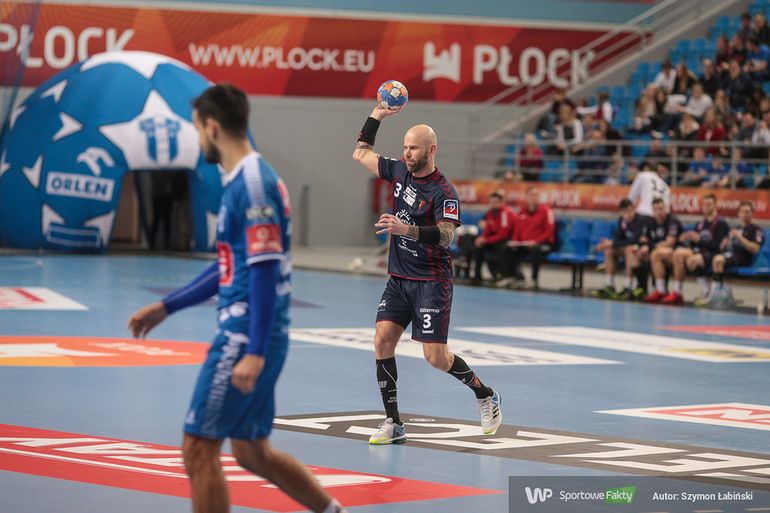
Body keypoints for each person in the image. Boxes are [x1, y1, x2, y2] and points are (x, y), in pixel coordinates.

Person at [127, 85, 348, 513]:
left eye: (197, 130)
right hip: (255, 334)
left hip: (243, 336)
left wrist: (254, 351)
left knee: (198, 448)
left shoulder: (253, 185)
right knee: (251, 451)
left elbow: (264, 271)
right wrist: (168, 306)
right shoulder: (242, 182)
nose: (197, 141)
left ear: (212, 127)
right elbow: (233, 265)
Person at [352, 103, 502, 444]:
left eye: (414, 148)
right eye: (405, 147)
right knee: (382, 339)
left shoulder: (443, 192)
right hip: (399, 277)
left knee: (435, 357)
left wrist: (405, 230)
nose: (407, 153)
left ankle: (485, 394)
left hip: (432, 281)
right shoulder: (398, 171)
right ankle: (394, 423)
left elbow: (446, 235)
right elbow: (360, 153)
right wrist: (377, 115)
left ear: (431, 150)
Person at [660, 194, 729, 305]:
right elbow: (695, 244)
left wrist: (699, 240)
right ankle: (677, 291)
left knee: (692, 261)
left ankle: (708, 291)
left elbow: (719, 247)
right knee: (678, 253)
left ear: (715, 205)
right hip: (700, 252)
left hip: (714, 253)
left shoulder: (721, 223)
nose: (706, 207)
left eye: (709, 204)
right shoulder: (700, 224)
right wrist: (687, 238)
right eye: (704, 205)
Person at [497, 187, 555, 289]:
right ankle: (510, 277)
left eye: (537, 195)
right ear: (527, 197)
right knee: (506, 248)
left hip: (543, 244)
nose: (534, 198)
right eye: (532, 195)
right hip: (525, 244)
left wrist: (536, 241)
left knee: (536, 249)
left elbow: (549, 231)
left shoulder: (547, 211)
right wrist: (515, 241)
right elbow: (517, 228)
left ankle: (533, 280)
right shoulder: (522, 211)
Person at [592, 198, 650, 300]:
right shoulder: (622, 221)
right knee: (609, 250)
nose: (629, 214)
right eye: (625, 212)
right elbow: (617, 237)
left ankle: (628, 286)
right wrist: (608, 244)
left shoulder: (641, 220)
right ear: (621, 212)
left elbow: (634, 240)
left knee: (629, 249)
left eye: (630, 210)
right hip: (626, 247)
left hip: (640, 250)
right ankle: (610, 285)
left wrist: (613, 243)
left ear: (634, 209)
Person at [708, 201, 764, 304]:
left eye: (747, 212)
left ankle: (716, 293)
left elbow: (755, 249)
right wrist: (724, 243)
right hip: (732, 256)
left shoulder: (756, 229)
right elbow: (726, 247)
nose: (744, 214)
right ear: (738, 214)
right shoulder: (737, 228)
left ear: (752, 213)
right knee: (714, 258)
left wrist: (739, 237)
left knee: (718, 260)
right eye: (742, 212)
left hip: (744, 258)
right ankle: (718, 292)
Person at [642, 198, 684, 303]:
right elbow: (643, 240)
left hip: (676, 252)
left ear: (665, 208)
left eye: (661, 209)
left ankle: (671, 291)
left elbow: (670, 243)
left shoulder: (672, 221)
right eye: (656, 210)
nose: (658, 212)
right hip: (661, 253)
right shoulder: (651, 222)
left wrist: (651, 245)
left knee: (656, 254)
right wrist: (649, 246)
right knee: (640, 253)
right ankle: (642, 288)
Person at [470, 190, 514, 281]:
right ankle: (477, 276)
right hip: (494, 240)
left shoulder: (505, 213)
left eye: (496, 202)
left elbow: (503, 235)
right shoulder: (490, 213)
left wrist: (486, 240)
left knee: (501, 247)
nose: (493, 204)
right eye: (492, 202)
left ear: (501, 202)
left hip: (506, 240)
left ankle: (506, 276)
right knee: (478, 245)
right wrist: (482, 239)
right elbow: (488, 230)